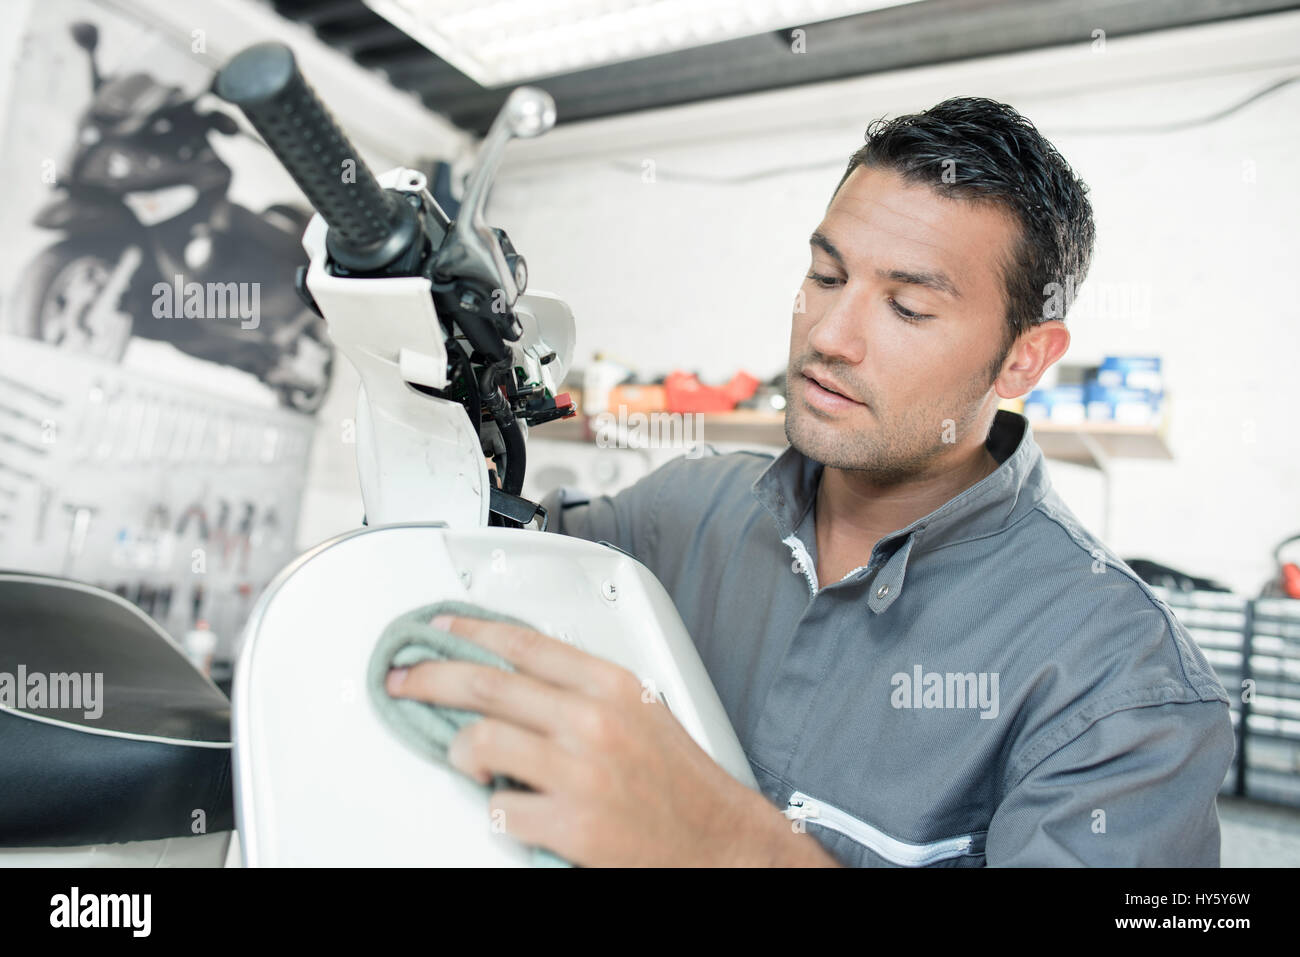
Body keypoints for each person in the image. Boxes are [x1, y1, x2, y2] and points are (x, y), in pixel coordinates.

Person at [385, 97, 1235, 867]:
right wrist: (407, 373)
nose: (829, 334)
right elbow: (465, 558)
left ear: (1024, 357)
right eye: (826, 276)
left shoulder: (1125, 685)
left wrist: (724, 844)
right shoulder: (681, 513)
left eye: (908, 308)